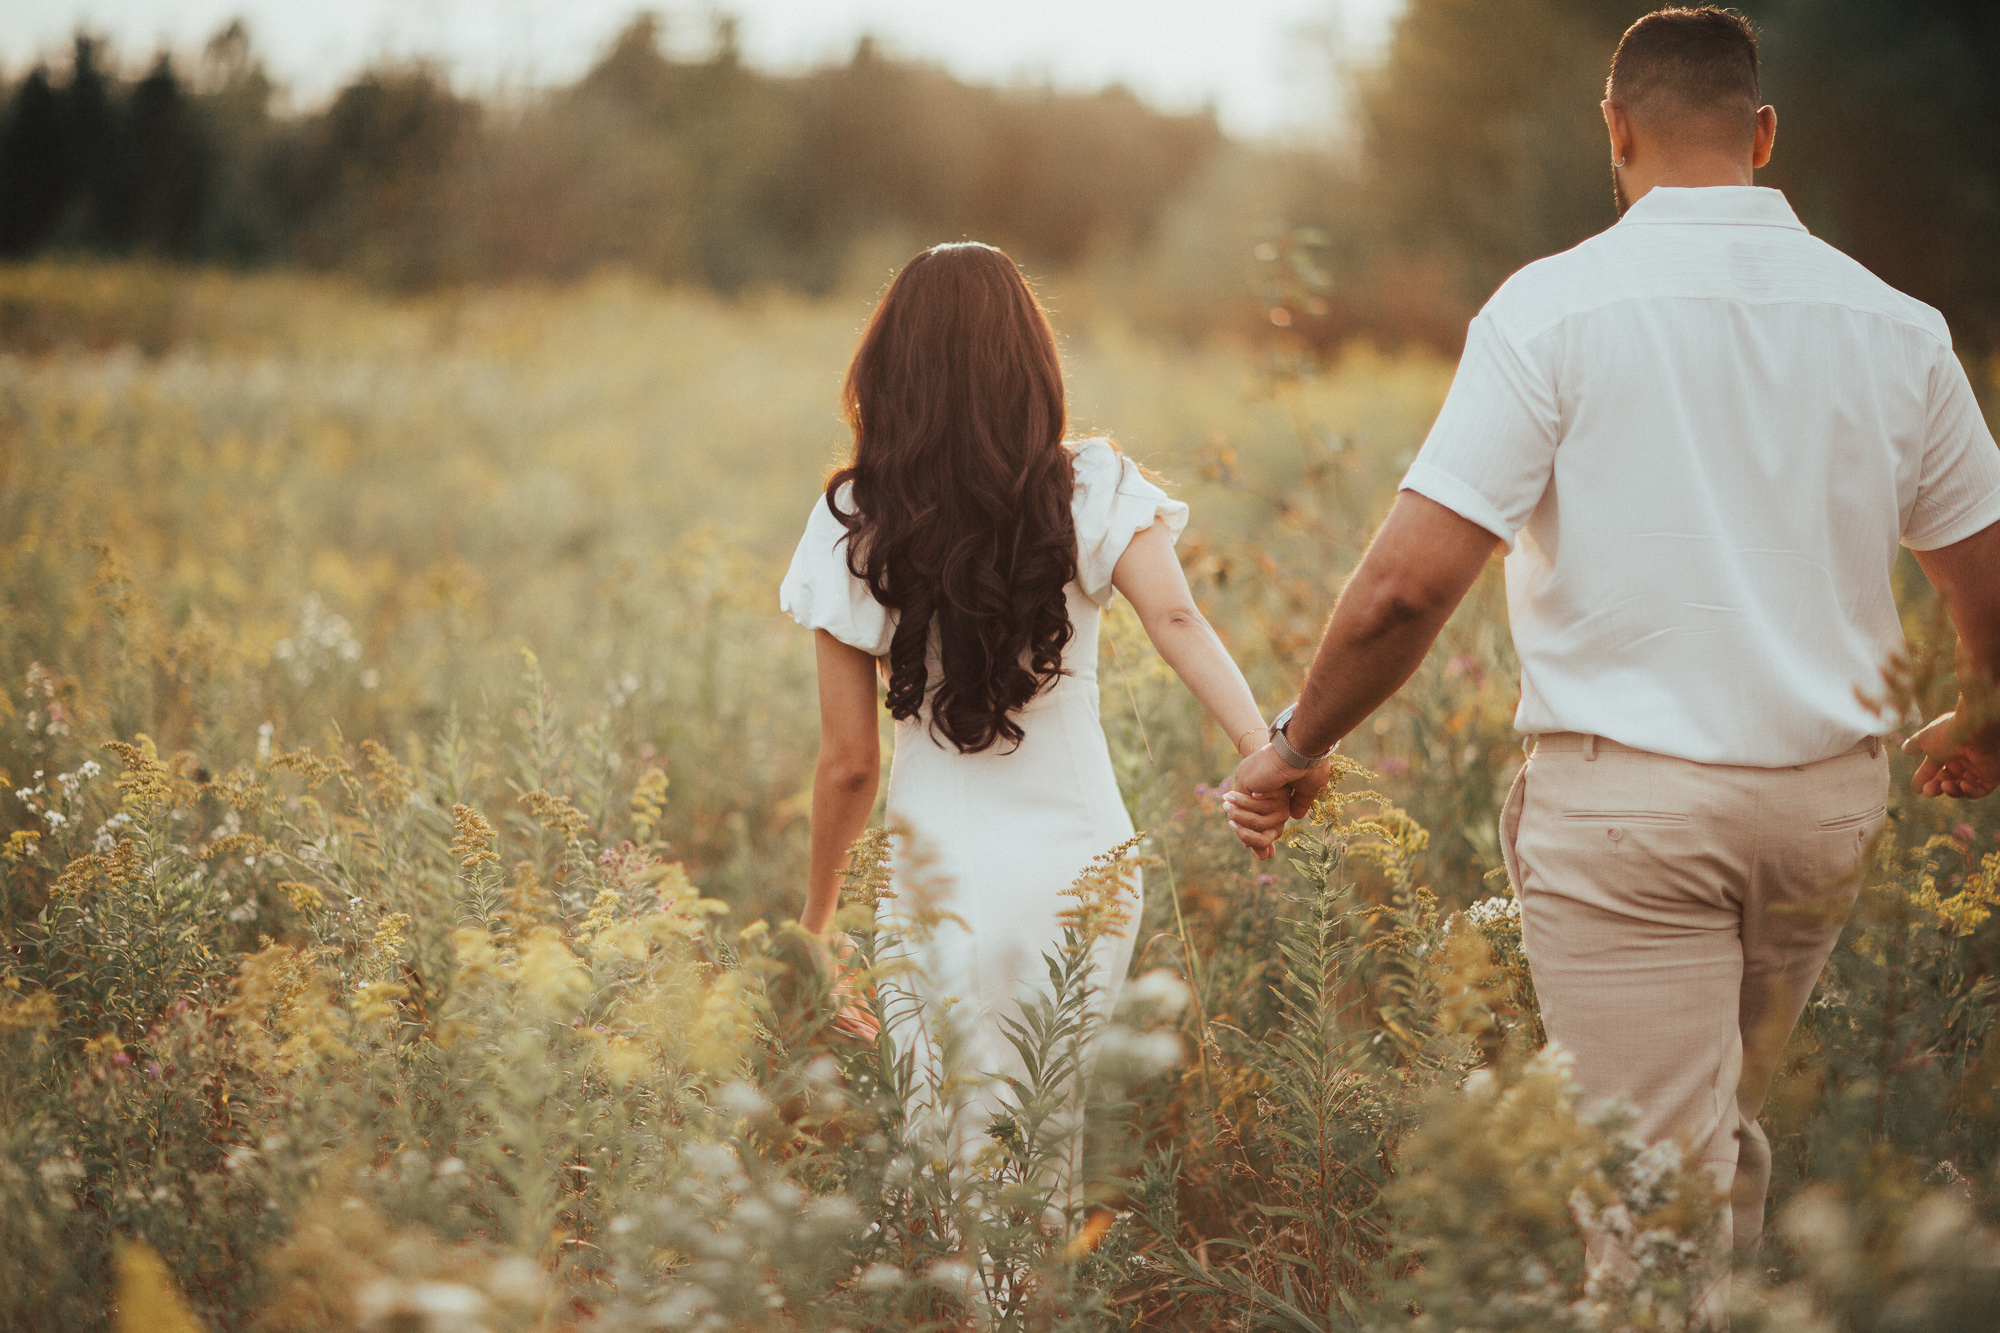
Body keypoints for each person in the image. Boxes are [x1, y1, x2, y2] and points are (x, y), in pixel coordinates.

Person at [1226, 1, 2000, 1285]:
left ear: (1612, 128)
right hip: (1821, 813)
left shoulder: (1552, 310)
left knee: (1645, 1198)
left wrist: (1295, 744)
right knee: (1716, 1143)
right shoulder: (1896, 327)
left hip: (1629, 818)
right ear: (1760, 133)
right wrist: (1978, 717)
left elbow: (1403, 593)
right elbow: (1987, 582)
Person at [781, 242, 1277, 1155]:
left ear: (889, 369)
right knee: (1044, 1139)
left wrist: (814, 926)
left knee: (948, 1147)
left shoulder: (854, 516)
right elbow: (1177, 616)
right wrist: (1262, 745)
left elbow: (850, 763)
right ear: (1031, 361)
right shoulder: (1089, 482)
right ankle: (1042, 1302)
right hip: (1081, 869)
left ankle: (979, 1304)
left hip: (937, 874)